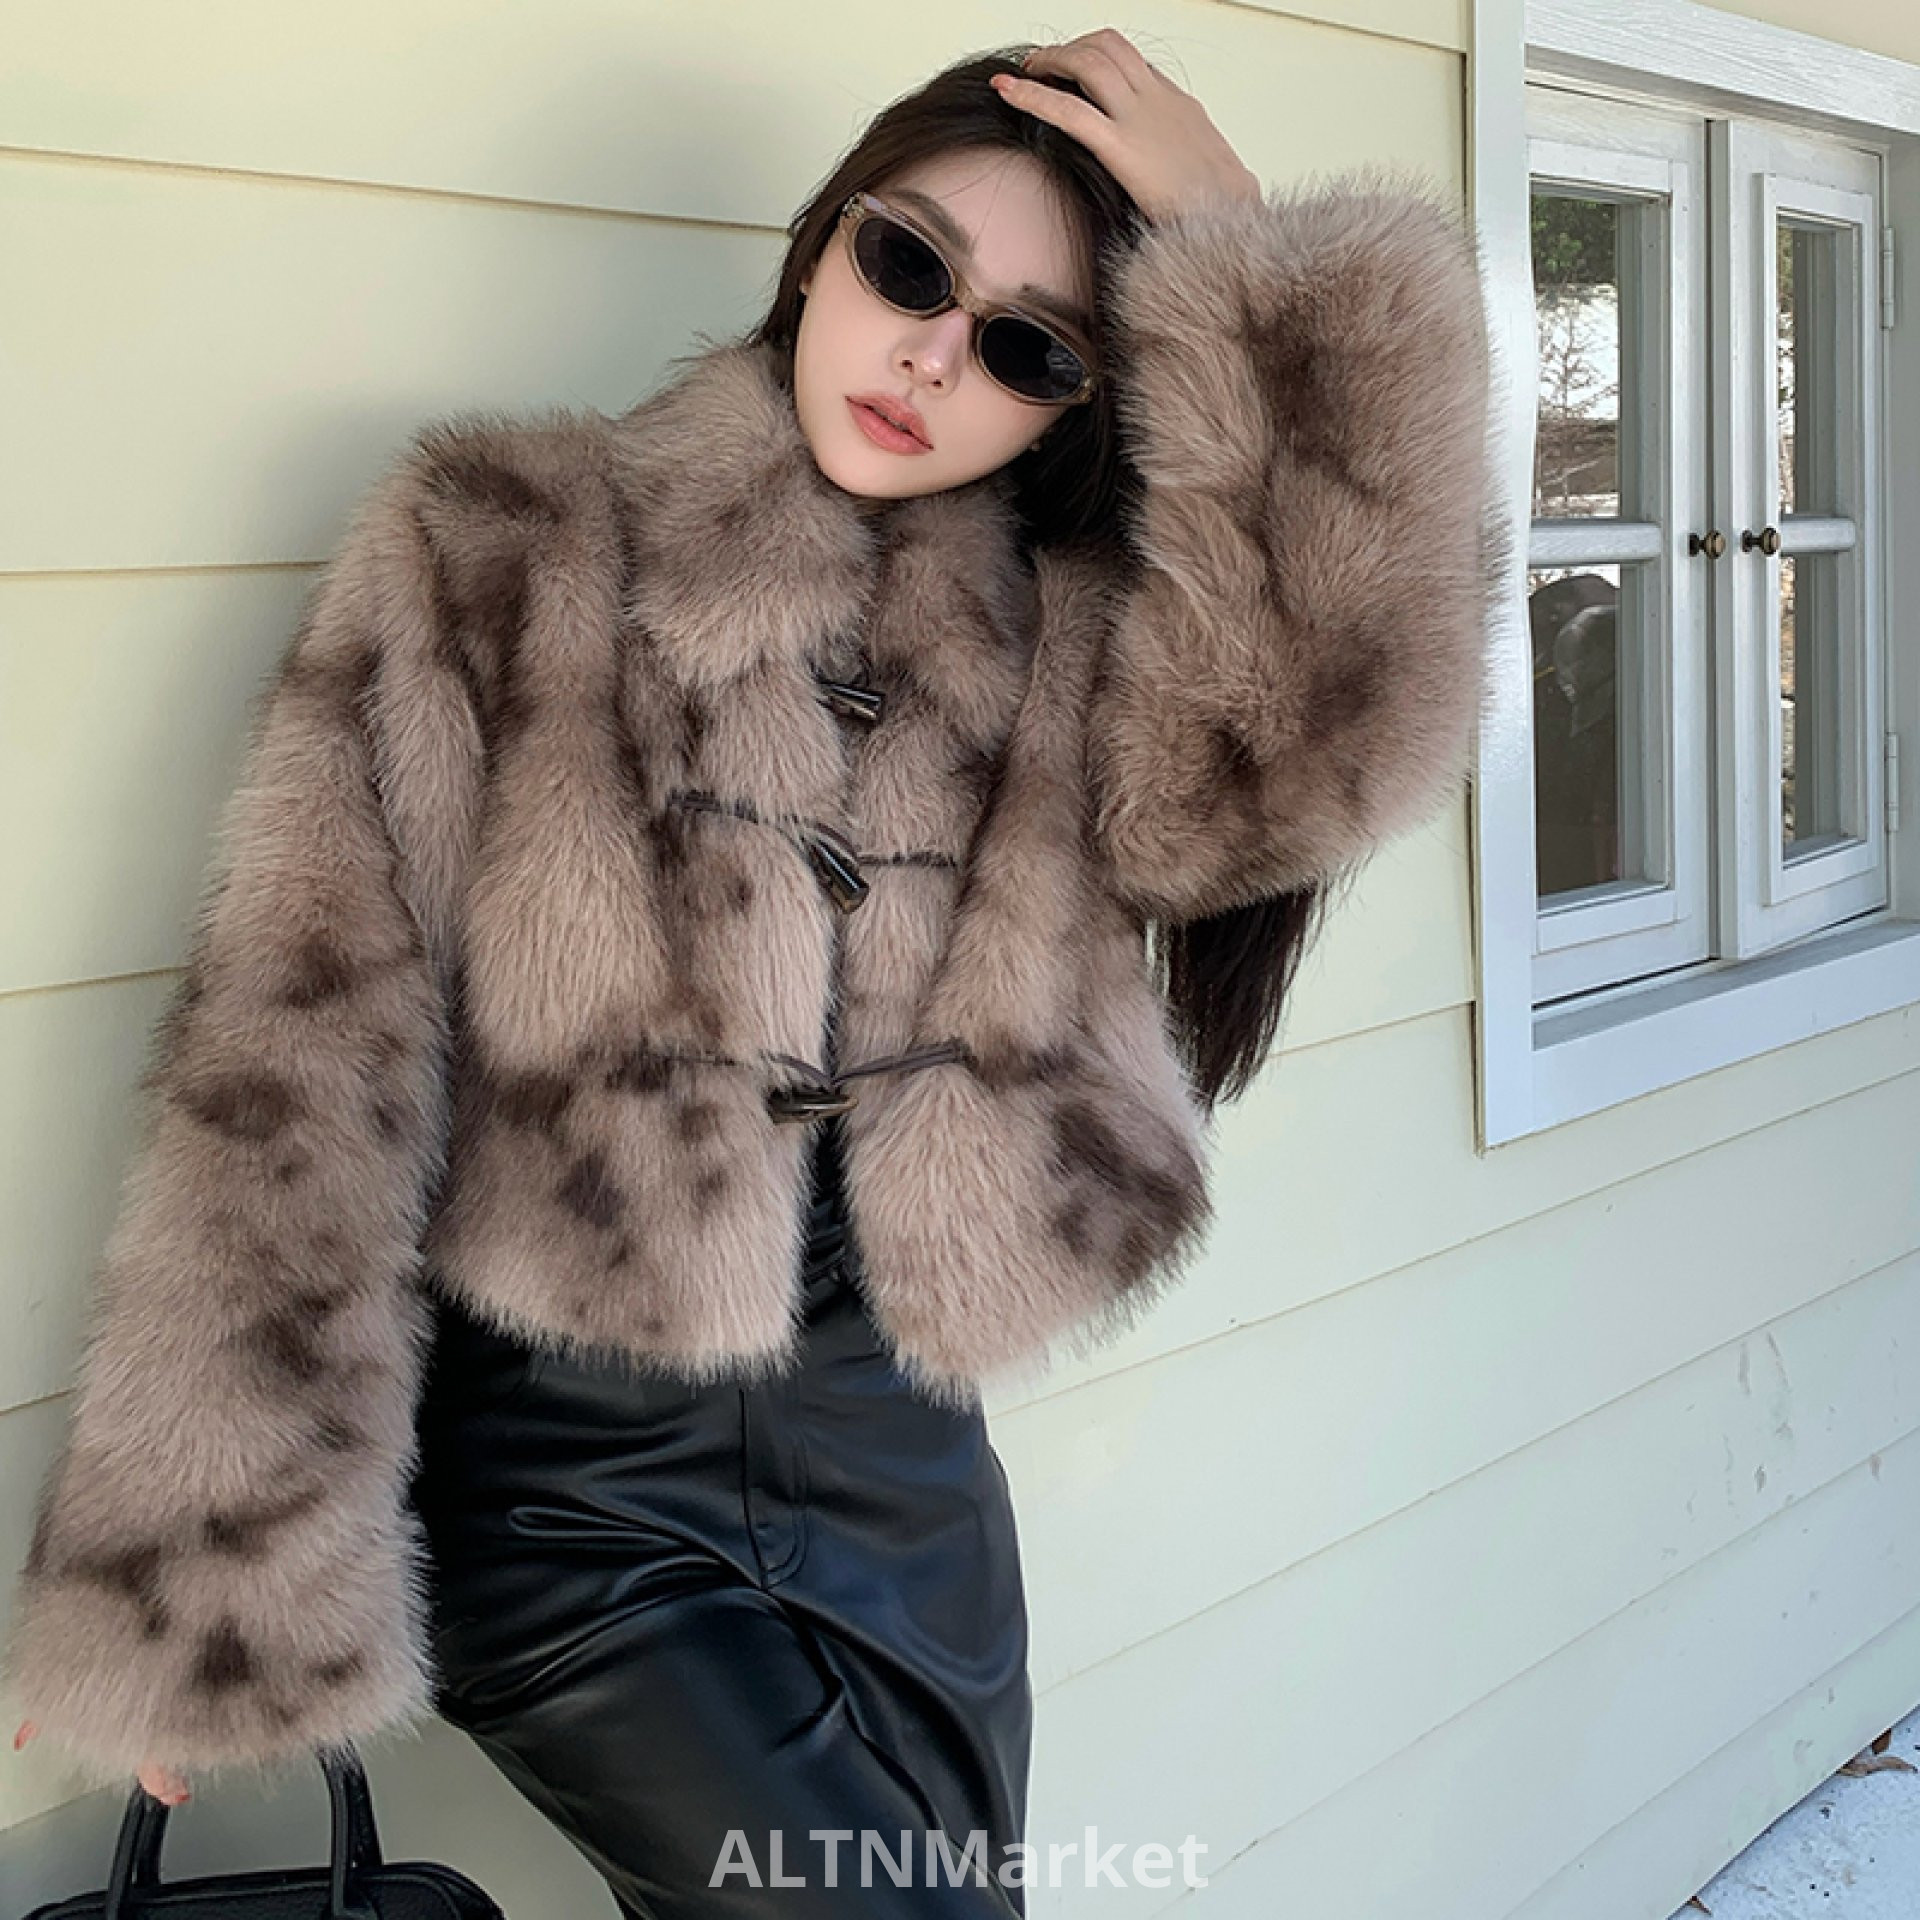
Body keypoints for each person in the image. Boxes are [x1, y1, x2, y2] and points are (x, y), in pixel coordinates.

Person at [6, 27, 1502, 1918]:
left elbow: (1314, 753)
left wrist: (1261, 274)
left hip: (902, 1468)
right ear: (821, 244)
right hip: (566, 1494)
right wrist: (211, 1567)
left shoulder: (1078, 646)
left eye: (1032, 348)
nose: (935, 356)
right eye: (910, 265)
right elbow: (300, 1056)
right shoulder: (497, 545)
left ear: (1078, 400)